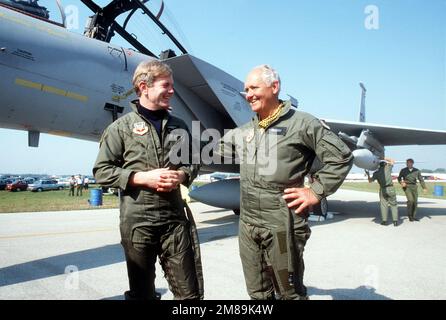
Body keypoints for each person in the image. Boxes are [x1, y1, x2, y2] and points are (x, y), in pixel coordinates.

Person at [217, 65, 353, 299]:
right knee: (258, 293)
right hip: (248, 223)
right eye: (246, 89)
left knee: (289, 293)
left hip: (282, 222)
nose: (248, 94)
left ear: (274, 87)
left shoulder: (303, 124)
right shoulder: (246, 131)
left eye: (253, 88)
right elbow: (209, 150)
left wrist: (315, 191)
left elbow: (341, 157)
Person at [93, 60, 203, 300]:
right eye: (167, 85)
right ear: (144, 87)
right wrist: (142, 178)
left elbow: (192, 163)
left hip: (174, 221)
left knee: (190, 296)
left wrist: (182, 175)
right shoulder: (120, 128)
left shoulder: (179, 126)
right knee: (142, 294)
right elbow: (101, 171)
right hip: (138, 225)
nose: (172, 91)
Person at [366, 158, 399, 226]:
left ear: (379, 166)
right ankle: (395, 221)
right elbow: (392, 161)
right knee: (393, 205)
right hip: (391, 188)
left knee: (383, 205)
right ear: (385, 164)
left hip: (383, 189)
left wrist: (368, 174)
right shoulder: (388, 168)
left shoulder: (376, 173)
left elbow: (370, 181)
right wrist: (383, 157)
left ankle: (384, 221)